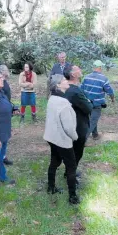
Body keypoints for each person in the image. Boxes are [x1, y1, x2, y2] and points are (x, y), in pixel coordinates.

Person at [44, 74, 80, 205]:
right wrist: (75, 137)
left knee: (54, 162)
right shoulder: (64, 103)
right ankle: (73, 197)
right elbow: (69, 128)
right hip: (62, 140)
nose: (67, 81)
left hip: (51, 137)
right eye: (64, 80)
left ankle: (51, 187)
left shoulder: (51, 98)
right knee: (71, 167)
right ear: (58, 85)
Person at [63, 65, 93, 180]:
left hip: (68, 125)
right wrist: (89, 102)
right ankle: (71, 175)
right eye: (77, 69)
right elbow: (88, 108)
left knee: (70, 152)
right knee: (76, 152)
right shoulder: (75, 91)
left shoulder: (64, 88)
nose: (80, 70)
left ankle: (69, 171)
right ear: (73, 75)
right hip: (78, 126)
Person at [81, 60, 115, 140]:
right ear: (100, 67)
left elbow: (81, 89)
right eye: (101, 67)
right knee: (93, 120)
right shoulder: (103, 79)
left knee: (93, 118)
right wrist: (113, 98)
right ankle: (83, 140)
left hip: (87, 103)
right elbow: (109, 91)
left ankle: (95, 135)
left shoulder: (86, 77)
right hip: (97, 104)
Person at [0, 64, 13, 166]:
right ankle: (1, 157)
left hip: (7, 109)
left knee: (5, 136)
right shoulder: (1, 83)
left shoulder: (4, 82)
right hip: (3, 113)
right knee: (2, 137)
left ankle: (2, 156)